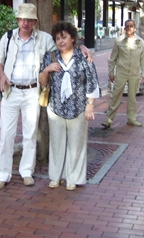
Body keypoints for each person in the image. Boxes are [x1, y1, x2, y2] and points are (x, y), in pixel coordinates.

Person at [0, 3, 92, 190]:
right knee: (6, 134)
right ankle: (2, 175)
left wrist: (82, 46)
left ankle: (26, 172)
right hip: (11, 91)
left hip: (32, 91)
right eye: (22, 19)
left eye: (29, 19)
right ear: (18, 20)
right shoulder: (8, 37)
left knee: (30, 134)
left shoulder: (44, 38)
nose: (25, 23)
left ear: (35, 21)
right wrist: (1, 74)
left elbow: (65, 45)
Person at [39, 22, 100, 191]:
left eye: (64, 37)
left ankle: (73, 178)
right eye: (58, 38)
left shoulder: (83, 57)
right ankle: (56, 176)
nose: (61, 41)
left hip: (79, 107)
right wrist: (47, 70)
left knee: (76, 145)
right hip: (56, 108)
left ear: (73, 38)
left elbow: (92, 81)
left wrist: (90, 105)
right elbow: (42, 83)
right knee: (56, 143)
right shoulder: (50, 57)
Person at [102, 19, 144, 128]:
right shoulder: (119, 41)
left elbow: (143, 59)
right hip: (121, 73)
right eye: (127, 26)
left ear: (135, 28)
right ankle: (108, 119)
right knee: (115, 96)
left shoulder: (140, 42)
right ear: (124, 28)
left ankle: (132, 118)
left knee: (132, 97)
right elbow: (113, 58)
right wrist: (111, 72)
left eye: (131, 26)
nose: (129, 28)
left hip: (134, 73)